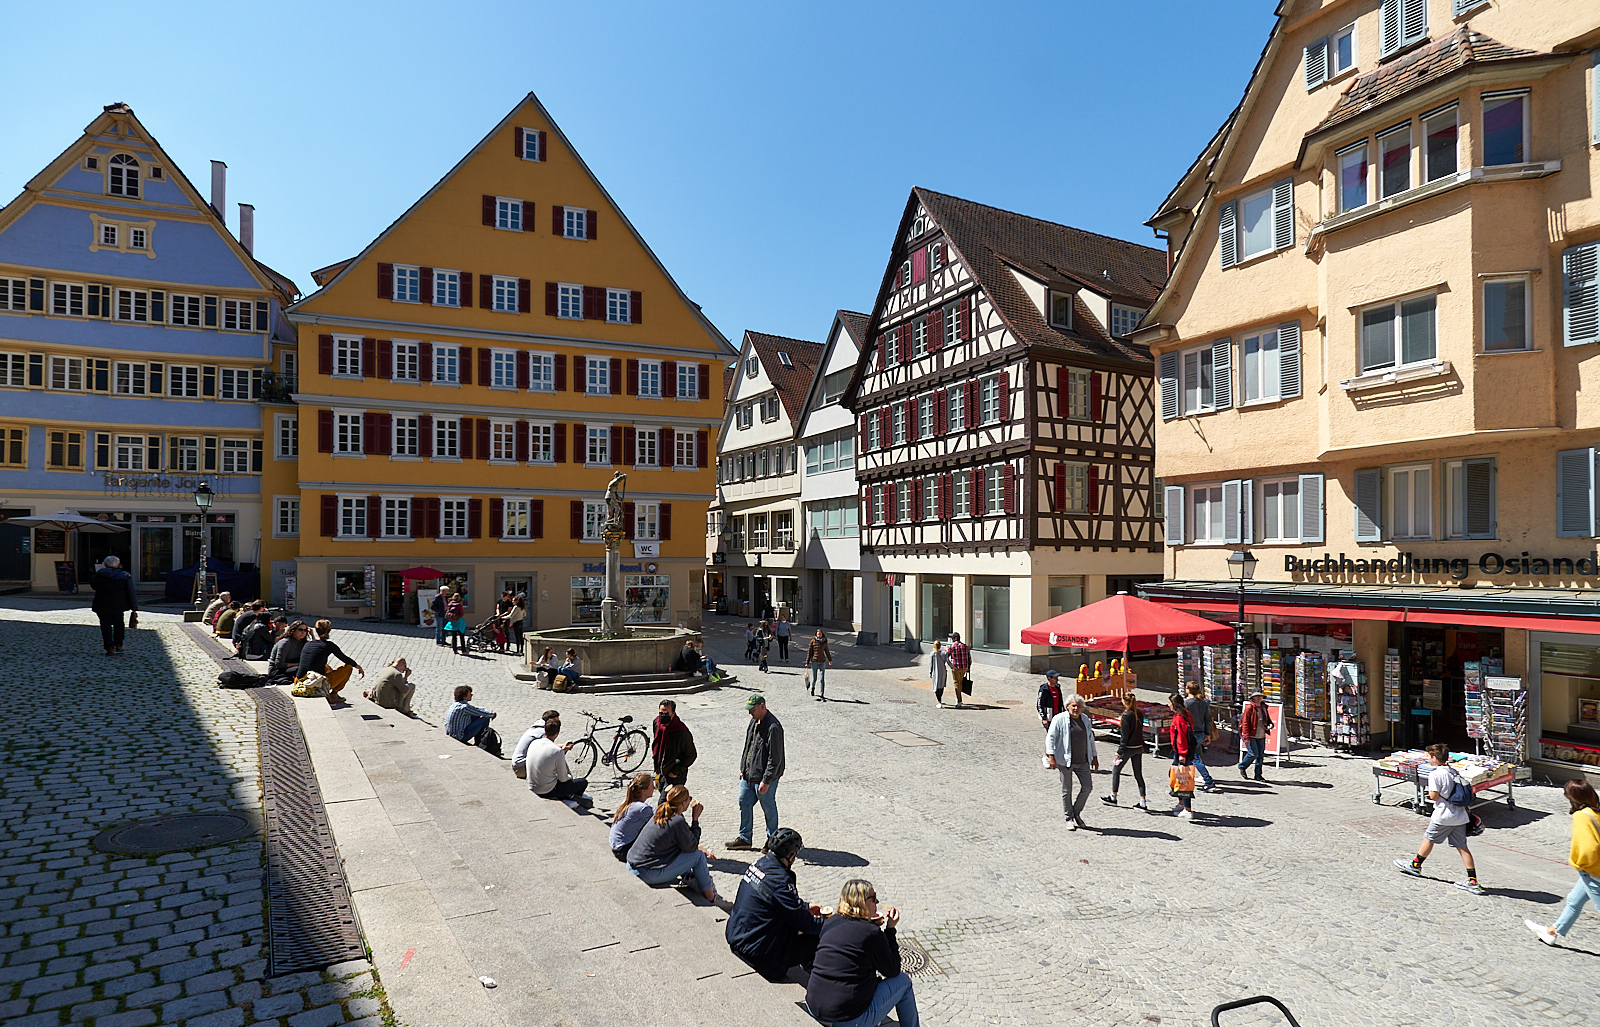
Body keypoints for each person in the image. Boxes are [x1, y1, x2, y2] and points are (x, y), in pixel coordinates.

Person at [805, 879, 918, 1027]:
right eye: (874, 898)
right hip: (847, 1020)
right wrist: (890, 930)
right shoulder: (871, 932)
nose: (877, 902)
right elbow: (893, 970)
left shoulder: (830, 922)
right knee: (904, 982)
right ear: (861, 902)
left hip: (814, 1007)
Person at [726, 827, 823, 983]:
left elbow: (781, 903)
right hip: (756, 955)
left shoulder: (759, 864)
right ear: (791, 856)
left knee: (793, 926)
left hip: (737, 937)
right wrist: (831, 922)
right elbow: (805, 923)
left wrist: (806, 907)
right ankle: (820, 983)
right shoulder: (781, 881)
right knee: (817, 937)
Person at [1394, 743, 1484, 894]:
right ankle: (1473, 881)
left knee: (1428, 839)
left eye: (1429, 757)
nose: (1428, 759)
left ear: (1435, 758)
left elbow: (1433, 796)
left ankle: (1415, 865)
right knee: (1463, 847)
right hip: (1460, 816)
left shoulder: (1435, 774)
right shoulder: (1453, 771)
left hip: (1443, 816)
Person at [1524, 780, 1600, 946]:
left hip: (1594, 872)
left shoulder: (1582, 816)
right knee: (1573, 900)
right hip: (1594, 870)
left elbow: (1589, 848)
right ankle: (1552, 932)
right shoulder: (1596, 812)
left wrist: (1579, 864)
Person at [627, 785, 717, 903]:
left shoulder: (662, 813)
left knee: (687, 853)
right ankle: (711, 898)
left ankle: (691, 880)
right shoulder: (677, 820)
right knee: (698, 856)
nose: (690, 801)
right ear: (683, 803)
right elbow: (691, 846)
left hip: (633, 864)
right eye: (689, 798)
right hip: (646, 873)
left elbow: (685, 841)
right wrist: (695, 819)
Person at [727, 694, 784, 850]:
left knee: (768, 808)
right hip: (749, 775)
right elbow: (748, 746)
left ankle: (772, 840)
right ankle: (745, 838)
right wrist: (743, 767)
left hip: (765, 778)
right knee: (743, 801)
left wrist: (766, 780)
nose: (750, 713)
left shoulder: (773, 727)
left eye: (752, 709)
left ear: (762, 706)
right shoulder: (754, 721)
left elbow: (775, 758)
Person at [1045, 695, 1099, 830]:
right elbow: (1050, 737)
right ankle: (1069, 818)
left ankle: (1076, 812)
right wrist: (1051, 756)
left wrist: (1094, 756)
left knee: (1087, 787)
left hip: (1082, 760)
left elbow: (1090, 739)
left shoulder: (1085, 720)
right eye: (1073, 706)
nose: (1076, 708)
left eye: (1078, 706)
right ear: (1067, 706)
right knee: (1067, 790)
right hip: (1065, 761)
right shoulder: (1059, 719)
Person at [525, 716, 591, 806]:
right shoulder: (557, 751)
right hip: (547, 790)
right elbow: (563, 779)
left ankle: (569, 796)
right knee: (582, 782)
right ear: (557, 733)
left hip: (532, 786)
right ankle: (570, 797)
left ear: (545, 730)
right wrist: (570, 777)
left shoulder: (534, 743)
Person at [1101, 691, 1149, 811]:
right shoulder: (1139, 713)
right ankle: (1143, 802)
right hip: (1138, 747)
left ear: (1123, 701)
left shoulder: (1127, 715)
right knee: (1138, 774)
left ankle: (1113, 797)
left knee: (1116, 770)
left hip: (1128, 748)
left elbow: (1124, 735)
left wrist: (1119, 751)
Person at [299, 620, 364, 698]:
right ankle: (334, 694)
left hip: (299, 681)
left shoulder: (308, 644)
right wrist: (358, 666)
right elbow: (344, 658)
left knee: (324, 664)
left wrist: (312, 635)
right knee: (348, 667)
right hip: (315, 683)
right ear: (329, 630)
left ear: (316, 630)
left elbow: (317, 648)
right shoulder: (329, 645)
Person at [89, 554, 138, 657]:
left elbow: (94, 586)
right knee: (119, 624)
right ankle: (119, 644)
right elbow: (131, 591)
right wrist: (134, 607)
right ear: (118, 565)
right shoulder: (124, 575)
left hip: (102, 603)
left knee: (105, 626)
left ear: (104, 565)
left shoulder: (98, 575)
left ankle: (109, 647)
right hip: (119, 604)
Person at [610, 773, 657, 862]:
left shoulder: (628, 802)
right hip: (624, 850)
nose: (654, 788)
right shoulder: (642, 808)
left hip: (616, 846)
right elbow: (657, 821)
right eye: (652, 786)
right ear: (644, 791)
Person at [652, 700, 697, 786]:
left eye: (666, 713)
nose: (663, 716)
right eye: (661, 713)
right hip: (661, 771)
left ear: (673, 714)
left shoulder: (681, 732)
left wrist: (675, 772)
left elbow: (691, 755)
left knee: (666, 795)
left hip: (675, 775)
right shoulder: (657, 723)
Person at [1183, 682, 1219, 793]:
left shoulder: (1186, 704)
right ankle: (1187, 779)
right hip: (1200, 733)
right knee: (1192, 757)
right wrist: (1207, 734)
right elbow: (1207, 720)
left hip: (1191, 733)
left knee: (1194, 758)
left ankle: (1208, 781)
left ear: (1188, 690)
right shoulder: (1202, 703)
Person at [1167, 692, 1196, 819]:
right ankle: (1181, 803)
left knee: (1183, 779)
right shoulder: (1186, 715)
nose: (1168, 705)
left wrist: (1182, 754)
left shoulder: (1179, 718)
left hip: (1181, 752)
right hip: (1181, 751)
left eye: (1169, 703)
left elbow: (1181, 737)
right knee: (1175, 775)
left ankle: (1187, 809)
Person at [511, 709, 560, 779]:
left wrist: (562, 745)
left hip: (517, 765)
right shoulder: (542, 732)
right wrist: (562, 748)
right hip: (521, 769)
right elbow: (549, 747)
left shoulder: (537, 727)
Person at [1238, 690, 1272, 781]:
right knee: (1253, 754)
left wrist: (1270, 725)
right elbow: (1245, 723)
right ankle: (1242, 766)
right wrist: (1246, 736)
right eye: (1257, 696)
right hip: (1252, 735)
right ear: (1253, 697)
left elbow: (1267, 720)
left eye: (1260, 696)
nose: (1259, 698)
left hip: (1261, 735)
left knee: (1260, 756)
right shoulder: (1249, 707)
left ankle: (1258, 775)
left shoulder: (1264, 707)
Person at [805, 629, 833, 701]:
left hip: (822, 662)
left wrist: (830, 659)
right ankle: (813, 688)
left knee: (822, 679)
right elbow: (809, 653)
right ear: (816, 635)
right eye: (818, 634)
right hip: (814, 662)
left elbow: (827, 651)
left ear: (822, 634)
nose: (819, 635)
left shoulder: (824, 642)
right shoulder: (813, 642)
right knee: (814, 678)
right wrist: (807, 662)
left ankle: (822, 694)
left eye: (820, 634)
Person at [945, 633, 970, 708]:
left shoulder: (952, 646)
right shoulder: (965, 646)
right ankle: (959, 699)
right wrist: (968, 667)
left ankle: (959, 701)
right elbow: (969, 658)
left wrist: (951, 666)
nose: (951, 639)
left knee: (956, 684)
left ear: (955, 638)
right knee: (960, 682)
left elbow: (946, 656)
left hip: (956, 667)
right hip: (963, 668)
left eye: (952, 637)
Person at [928, 640, 949, 708]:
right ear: (940, 646)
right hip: (943, 671)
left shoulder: (932, 654)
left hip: (935, 672)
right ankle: (940, 699)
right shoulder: (944, 653)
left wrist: (930, 672)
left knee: (936, 686)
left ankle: (939, 701)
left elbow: (931, 664)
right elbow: (948, 661)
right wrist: (954, 667)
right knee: (941, 686)